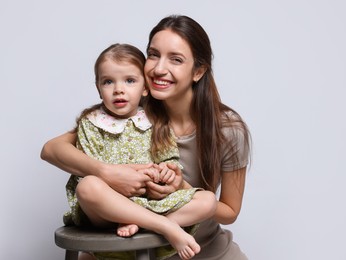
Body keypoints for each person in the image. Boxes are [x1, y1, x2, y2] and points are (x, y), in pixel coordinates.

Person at [41, 15, 251, 260]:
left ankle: (151, 226)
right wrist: (107, 172)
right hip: (136, 251)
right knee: (88, 188)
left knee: (203, 201)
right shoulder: (131, 111)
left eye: (176, 59)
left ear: (198, 71)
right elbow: (51, 149)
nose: (159, 68)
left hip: (205, 252)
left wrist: (181, 187)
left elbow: (229, 211)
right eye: (153, 54)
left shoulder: (227, 129)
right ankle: (149, 228)